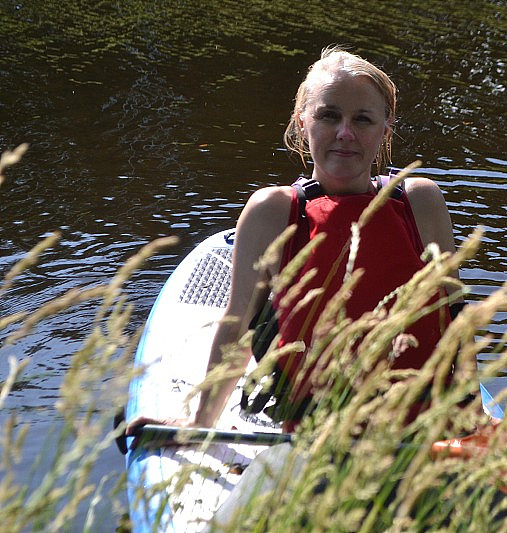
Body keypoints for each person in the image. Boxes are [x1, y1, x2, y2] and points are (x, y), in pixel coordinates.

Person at [127, 46, 464, 436]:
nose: (345, 133)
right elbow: (236, 326)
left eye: (363, 119)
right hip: (314, 435)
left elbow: (453, 316)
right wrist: (200, 421)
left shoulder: (419, 201)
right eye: (329, 115)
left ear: (385, 129)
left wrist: (470, 414)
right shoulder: (271, 213)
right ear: (302, 121)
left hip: (422, 430)